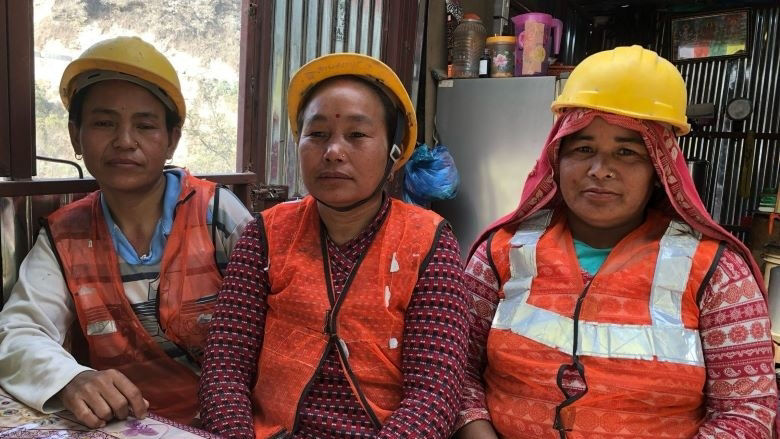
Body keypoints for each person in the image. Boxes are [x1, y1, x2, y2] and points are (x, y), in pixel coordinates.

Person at [455, 45, 778, 438]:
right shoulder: (503, 251)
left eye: (626, 152)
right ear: (557, 159)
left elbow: (747, 413)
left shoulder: (718, 272)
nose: (600, 170)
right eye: (583, 148)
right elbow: (455, 368)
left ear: (659, 168)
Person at [198, 53, 470, 438]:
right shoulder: (265, 234)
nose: (333, 151)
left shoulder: (427, 242)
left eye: (357, 135)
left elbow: (434, 393)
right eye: (318, 134)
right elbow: (225, 365)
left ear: (394, 153)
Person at [0, 36, 252, 427]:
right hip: (124, 428)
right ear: (74, 135)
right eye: (103, 123)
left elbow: (281, 319)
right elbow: (18, 331)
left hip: (230, 423)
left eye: (145, 125)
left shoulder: (217, 213)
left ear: (172, 139)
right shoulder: (65, 236)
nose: (124, 141)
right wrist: (71, 379)